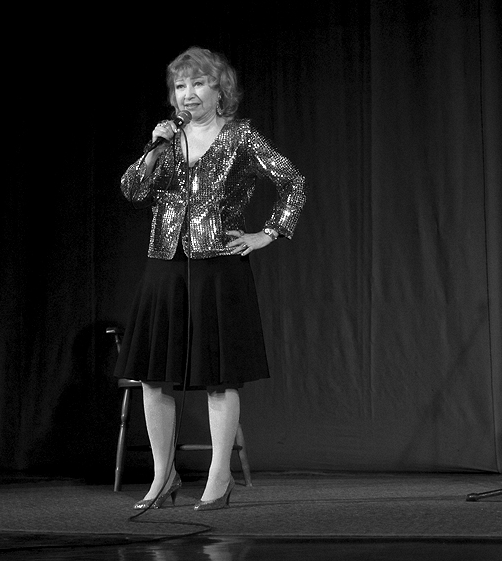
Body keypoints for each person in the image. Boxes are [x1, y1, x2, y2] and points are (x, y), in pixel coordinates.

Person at [115, 46, 306, 511]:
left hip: (219, 268)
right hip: (165, 265)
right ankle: (163, 477)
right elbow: (132, 190)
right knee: (153, 377)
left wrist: (268, 233)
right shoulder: (167, 142)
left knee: (220, 377)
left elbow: (293, 182)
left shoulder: (241, 136)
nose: (188, 94)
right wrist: (153, 150)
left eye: (198, 83)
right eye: (180, 86)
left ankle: (219, 478)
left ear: (221, 90)